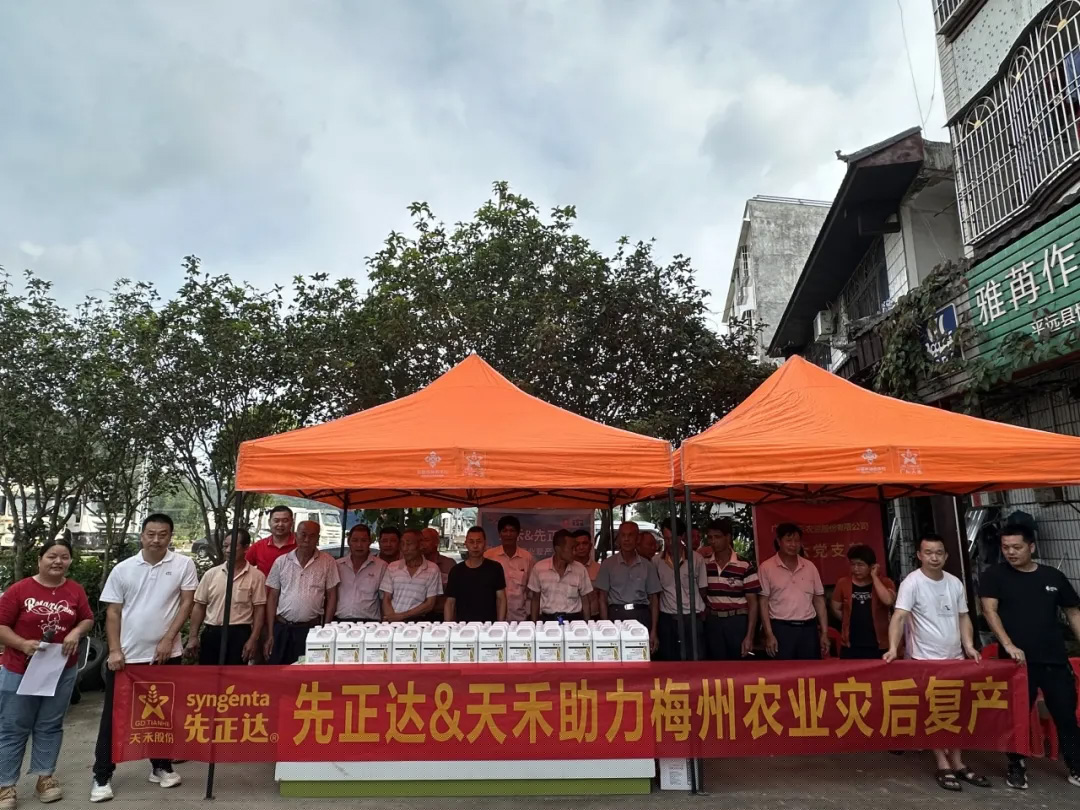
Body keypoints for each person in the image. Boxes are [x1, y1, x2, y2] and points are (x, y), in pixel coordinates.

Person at [91, 513, 198, 803]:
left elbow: (186, 603)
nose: (156, 539)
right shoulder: (123, 569)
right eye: (151, 534)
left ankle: (160, 766)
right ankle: (102, 775)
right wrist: (115, 650)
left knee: (162, 715)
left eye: (162, 534)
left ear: (170, 536)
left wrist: (168, 639)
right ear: (142, 535)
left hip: (166, 656)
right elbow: (113, 612)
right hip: (127, 657)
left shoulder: (183, 565)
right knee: (114, 718)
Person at [979, 523, 1080, 790]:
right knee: (1017, 717)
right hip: (1017, 664)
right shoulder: (994, 575)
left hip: (1054, 659)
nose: (1010, 552)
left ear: (1031, 547)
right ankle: (1016, 766)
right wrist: (1008, 644)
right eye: (1005, 548)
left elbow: (1073, 612)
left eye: (1017, 547)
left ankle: (1076, 766)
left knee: (1066, 716)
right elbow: (989, 611)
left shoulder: (1053, 576)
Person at [885, 533, 988, 792]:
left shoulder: (954, 583)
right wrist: (892, 648)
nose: (934, 557)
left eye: (939, 553)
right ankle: (942, 763)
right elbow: (899, 616)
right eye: (928, 552)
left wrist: (969, 645)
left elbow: (963, 617)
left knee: (957, 711)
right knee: (935, 712)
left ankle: (958, 762)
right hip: (925, 660)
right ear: (919, 555)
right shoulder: (912, 583)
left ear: (946, 556)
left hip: (955, 659)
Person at [0, 540, 93, 808]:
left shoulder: (75, 590)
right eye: (52, 556)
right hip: (20, 669)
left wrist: (76, 632)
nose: (58, 561)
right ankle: (6, 785)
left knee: (50, 724)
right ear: (39, 559)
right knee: (13, 726)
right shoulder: (19, 590)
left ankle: (45, 778)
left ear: (70, 561)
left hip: (60, 669)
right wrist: (21, 644)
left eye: (64, 557)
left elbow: (87, 618)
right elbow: (1, 625)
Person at [185, 528, 267, 665]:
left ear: (246, 548)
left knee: (235, 676)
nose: (228, 550)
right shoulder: (211, 574)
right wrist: (193, 636)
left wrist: (253, 639)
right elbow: (199, 606)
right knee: (208, 674)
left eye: (233, 546)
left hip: (239, 634)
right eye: (225, 546)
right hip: (212, 632)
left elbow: (259, 610)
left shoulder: (256, 577)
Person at [264, 520, 339, 666]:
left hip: (311, 630)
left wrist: (326, 629)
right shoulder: (281, 561)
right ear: (295, 536)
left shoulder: (328, 562)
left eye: (312, 536)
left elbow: (332, 596)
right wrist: (270, 633)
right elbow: (272, 597)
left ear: (318, 538)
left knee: (306, 673)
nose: (307, 539)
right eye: (303, 535)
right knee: (277, 671)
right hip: (282, 628)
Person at [758, 523, 828, 660]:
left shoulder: (810, 567)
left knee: (811, 670)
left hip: (808, 629)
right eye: (789, 540)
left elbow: (819, 601)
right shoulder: (766, 567)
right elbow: (763, 602)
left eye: (797, 541)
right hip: (781, 629)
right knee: (784, 670)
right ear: (779, 541)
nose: (793, 545)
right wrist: (769, 634)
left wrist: (824, 633)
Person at [595, 521, 661, 653]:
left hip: (641, 614)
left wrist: (654, 631)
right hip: (616, 614)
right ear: (618, 538)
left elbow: (654, 600)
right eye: (623, 535)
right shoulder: (608, 564)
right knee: (617, 656)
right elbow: (602, 599)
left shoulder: (647, 566)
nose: (626, 539)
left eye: (630, 535)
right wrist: (606, 626)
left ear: (637, 539)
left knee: (641, 656)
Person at [702, 517, 760, 660]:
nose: (713, 541)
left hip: (737, 621)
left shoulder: (744, 565)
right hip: (713, 621)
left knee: (738, 665)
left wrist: (750, 636)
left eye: (717, 537)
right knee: (716, 665)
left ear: (728, 538)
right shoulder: (704, 564)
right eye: (710, 537)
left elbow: (753, 603)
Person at [654, 520, 707, 661]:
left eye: (672, 538)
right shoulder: (657, 561)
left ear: (682, 536)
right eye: (666, 539)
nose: (669, 542)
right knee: (669, 659)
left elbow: (703, 589)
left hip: (692, 617)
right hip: (667, 617)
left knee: (694, 658)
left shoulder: (697, 559)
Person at [830, 544, 895, 659]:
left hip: (879, 645)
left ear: (872, 566)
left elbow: (888, 601)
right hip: (850, 645)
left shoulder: (885, 582)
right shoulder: (843, 583)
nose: (856, 569)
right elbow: (835, 608)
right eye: (853, 564)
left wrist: (875, 577)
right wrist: (848, 619)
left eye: (860, 565)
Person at [528, 529, 593, 622]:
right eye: (571, 548)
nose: (575, 552)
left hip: (573, 620)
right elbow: (535, 600)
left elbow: (585, 601)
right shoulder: (539, 568)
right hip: (548, 621)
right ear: (558, 549)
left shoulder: (580, 569)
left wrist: (587, 625)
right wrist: (534, 625)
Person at [445, 527, 507, 622]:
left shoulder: (495, 568)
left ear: (485, 544)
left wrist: (500, 624)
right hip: (463, 626)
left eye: (479, 541)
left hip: (489, 626)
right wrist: (447, 625)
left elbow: (501, 599)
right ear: (466, 544)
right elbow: (450, 602)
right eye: (471, 542)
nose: (475, 546)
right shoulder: (456, 571)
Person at [381, 529, 442, 621]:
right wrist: (391, 618)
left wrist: (402, 616)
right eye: (402, 544)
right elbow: (386, 598)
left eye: (409, 544)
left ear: (420, 545)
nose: (405, 548)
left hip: (418, 620)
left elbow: (430, 604)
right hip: (393, 619)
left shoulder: (433, 569)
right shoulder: (392, 567)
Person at [483, 516, 535, 622]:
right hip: (493, 617)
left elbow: (531, 589)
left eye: (512, 531)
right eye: (505, 531)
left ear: (518, 533)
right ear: (499, 533)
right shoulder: (489, 556)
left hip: (519, 617)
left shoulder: (527, 558)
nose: (508, 534)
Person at [335, 524, 386, 622]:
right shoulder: (337, 565)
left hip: (370, 623)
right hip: (340, 621)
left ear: (370, 542)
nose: (359, 545)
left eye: (363, 540)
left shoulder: (381, 566)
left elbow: (384, 599)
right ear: (348, 542)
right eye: (355, 540)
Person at [245, 505, 296, 578]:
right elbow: (242, 567)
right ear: (269, 522)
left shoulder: (300, 545)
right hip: (264, 585)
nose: (280, 524)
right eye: (276, 521)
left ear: (292, 522)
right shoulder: (258, 546)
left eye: (285, 521)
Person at [421, 527, 456, 620]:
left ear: (436, 542)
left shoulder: (449, 564)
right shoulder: (414, 565)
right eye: (420, 540)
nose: (422, 544)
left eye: (426, 540)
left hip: (442, 613)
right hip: (419, 613)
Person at [572, 529, 600, 618]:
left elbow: (603, 597)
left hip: (594, 616)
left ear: (591, 546)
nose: (581, 547)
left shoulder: (599, 569)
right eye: (577, 544)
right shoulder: (567, 569)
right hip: (573, 616)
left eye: (585, 543)